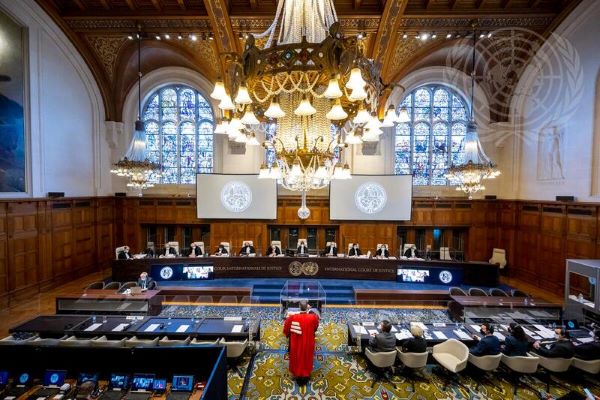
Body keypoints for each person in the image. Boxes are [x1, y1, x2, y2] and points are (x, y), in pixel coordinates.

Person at [283, 300, 319, 386]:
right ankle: (306, 374)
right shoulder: (313, 317)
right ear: (307, 307)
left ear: (299, 307)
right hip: (308, 342)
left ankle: (296, 374)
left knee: (296, 358)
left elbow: (286, 330)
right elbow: (315, 328)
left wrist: (289, 335)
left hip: (296, 343)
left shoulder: (292, 318)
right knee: (307, 358)